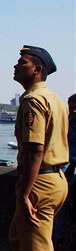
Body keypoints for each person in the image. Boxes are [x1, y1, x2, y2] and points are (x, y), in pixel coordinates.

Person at [9, 45, 68, 251]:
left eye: (22, 62)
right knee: (17, 237)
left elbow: (36, 150)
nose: (16, 65)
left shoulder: (33, 100)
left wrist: (25, 194)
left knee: (36, 246)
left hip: (39, 182)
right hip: (57, 179)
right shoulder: (56, 98)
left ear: (37, 69)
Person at [52, 93, 76, 248]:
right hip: (65, 168)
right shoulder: (66, 122)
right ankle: (57, 237)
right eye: (71, 107)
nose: (72, 111)